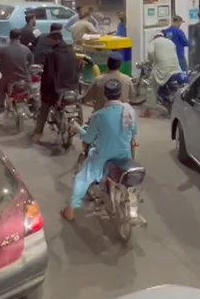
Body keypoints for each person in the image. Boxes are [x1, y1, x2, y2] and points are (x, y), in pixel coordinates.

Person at [62, 78, 138, 221]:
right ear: (121, 95)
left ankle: (70, 210)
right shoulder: (130, 111)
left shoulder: (99, 116)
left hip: (104, 157)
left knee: (82, 178)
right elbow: (134, 133)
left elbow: (89, 138)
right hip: (125, 156)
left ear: (105, 96)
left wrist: (78, 128)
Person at [33, 25, 81, 143]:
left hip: (58, 89)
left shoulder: (51, 54)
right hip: (73, 87)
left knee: (44, 107)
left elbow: (49, 75)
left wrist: (44, 89)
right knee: (78, 105)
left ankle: (38, 133)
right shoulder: (71, 51)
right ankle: (81, 126)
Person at [0, 29, 32, 125]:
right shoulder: (26, 49)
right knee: (34, 93)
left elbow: (0, 65)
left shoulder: (3, 49)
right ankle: (35, 111)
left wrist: (2, 70)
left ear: (10, 37)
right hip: (25, 80)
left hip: (9, 80)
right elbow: (31, 63)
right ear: (20, 37)